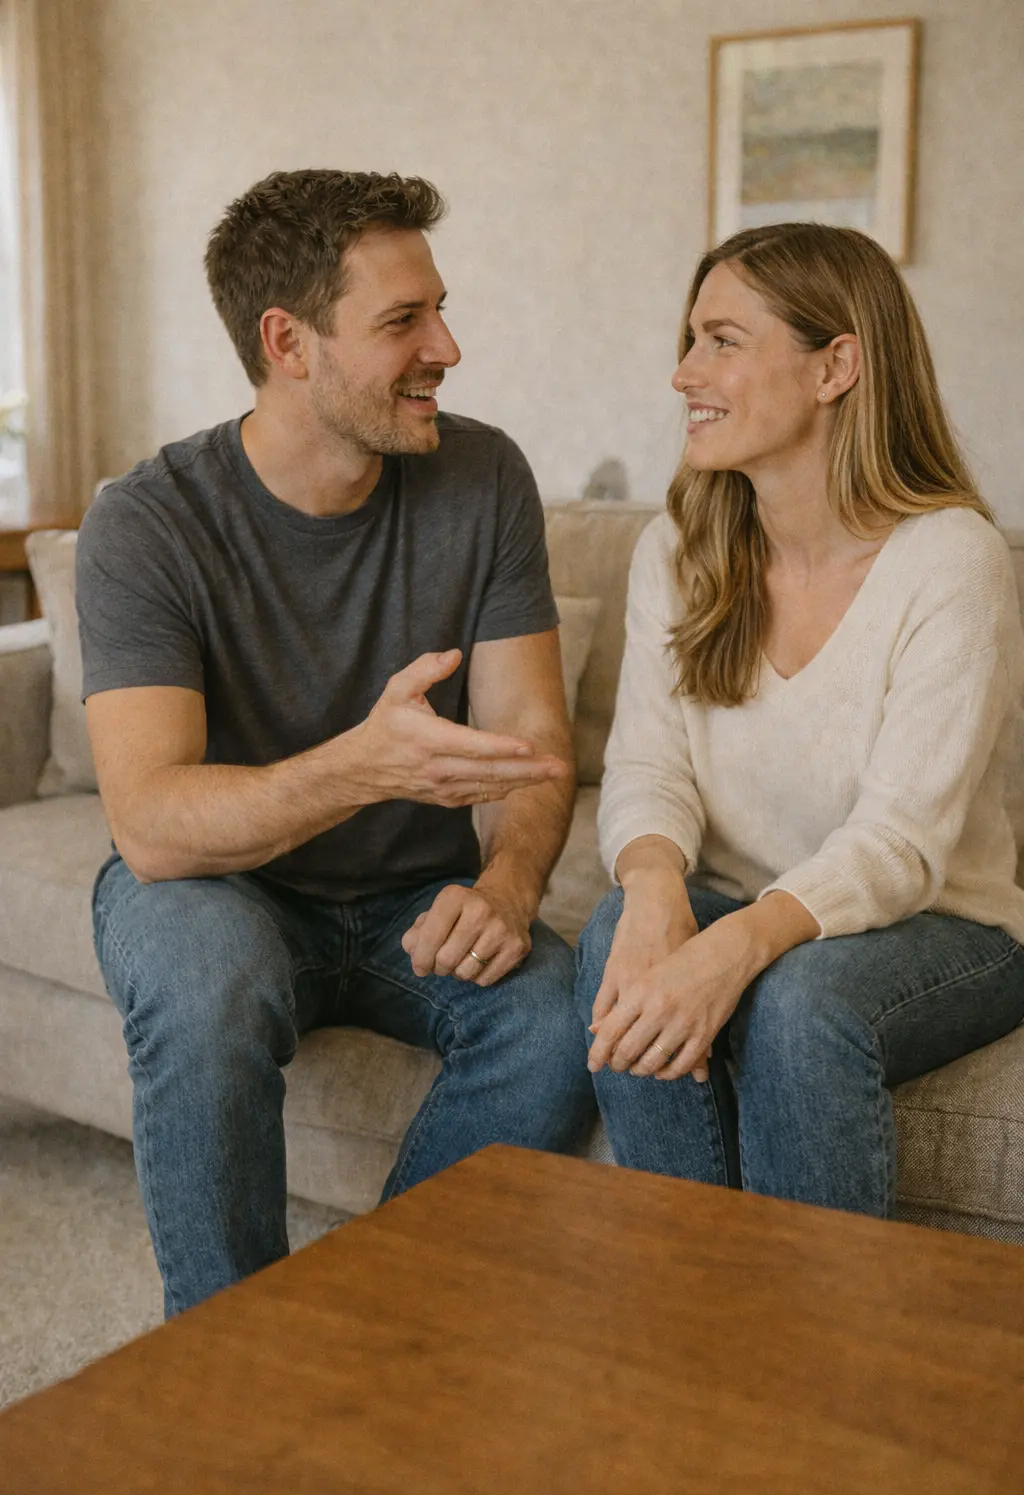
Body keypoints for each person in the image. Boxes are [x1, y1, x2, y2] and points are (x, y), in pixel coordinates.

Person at [77, 169, 594, 1315]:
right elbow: (152, 825)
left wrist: (508, 885)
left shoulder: (483, 476)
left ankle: (361, 1329)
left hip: (418, 892)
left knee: (560, 1010)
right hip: (224, 888)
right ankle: (228, 1353)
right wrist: (362, 767)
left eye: (440, 310)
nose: (446, 348)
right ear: (288, 343)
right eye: (403, 321)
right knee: (202, 982)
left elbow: (528, 741)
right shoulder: (147, 522)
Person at [577, 221, 1024, 1217]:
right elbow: (647, 767)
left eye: (722, 341)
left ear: (835, 368)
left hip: (945, 925)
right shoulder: (678, 548)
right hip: (744, 896)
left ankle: (811, 1318)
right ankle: (691, 1285)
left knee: (800, 1002)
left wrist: (735, 948)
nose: (683, 373)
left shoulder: (951, 559)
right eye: (689, 339)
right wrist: (653, 891)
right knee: (616, 932)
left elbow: (900, 843)